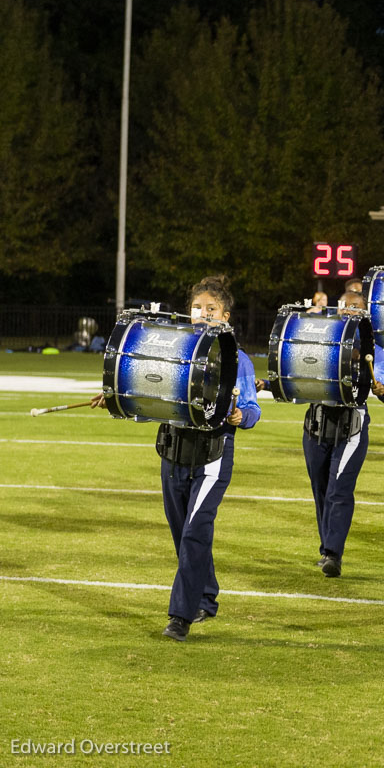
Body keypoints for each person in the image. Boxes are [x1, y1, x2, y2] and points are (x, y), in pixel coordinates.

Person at [91, 275, 262, 641]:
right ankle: (207, 596)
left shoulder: (236, 358)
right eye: (197, 308)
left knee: (195, 533)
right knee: (183, 533)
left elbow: (251, 409)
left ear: (225, 316)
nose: (202, 314)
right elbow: (146, 387)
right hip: (172, 450)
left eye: (211, 309)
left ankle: (179, 617)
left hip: (213, 455)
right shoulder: (173, 349)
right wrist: (117, 395)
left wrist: (240, 416)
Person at [304, 291, 384, 578]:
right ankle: (326, 547)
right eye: (346, 307)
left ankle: (334, 553)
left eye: (357, 308)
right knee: (321, 490)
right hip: (316, 424)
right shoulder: (322, 341)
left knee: (339, 490)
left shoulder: (373, 350)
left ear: (365, 313)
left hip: (351, 426)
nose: (350, 312)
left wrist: (381, 389)